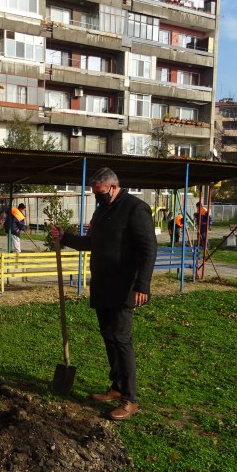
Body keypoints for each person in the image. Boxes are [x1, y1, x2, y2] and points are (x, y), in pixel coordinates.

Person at [51, 167, 157, 420]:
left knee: (122, 340)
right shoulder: (102, 211)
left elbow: (149, 248)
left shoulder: (135, 208)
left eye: (99, 193)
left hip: (124, 287)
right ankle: (117, 387)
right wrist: (65, 237)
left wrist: (142, 285)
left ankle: (131, 399)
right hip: (103, 285)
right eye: (93, 193)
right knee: (109, 336)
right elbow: (92, 243)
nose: (96, 197)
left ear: (112, 187)